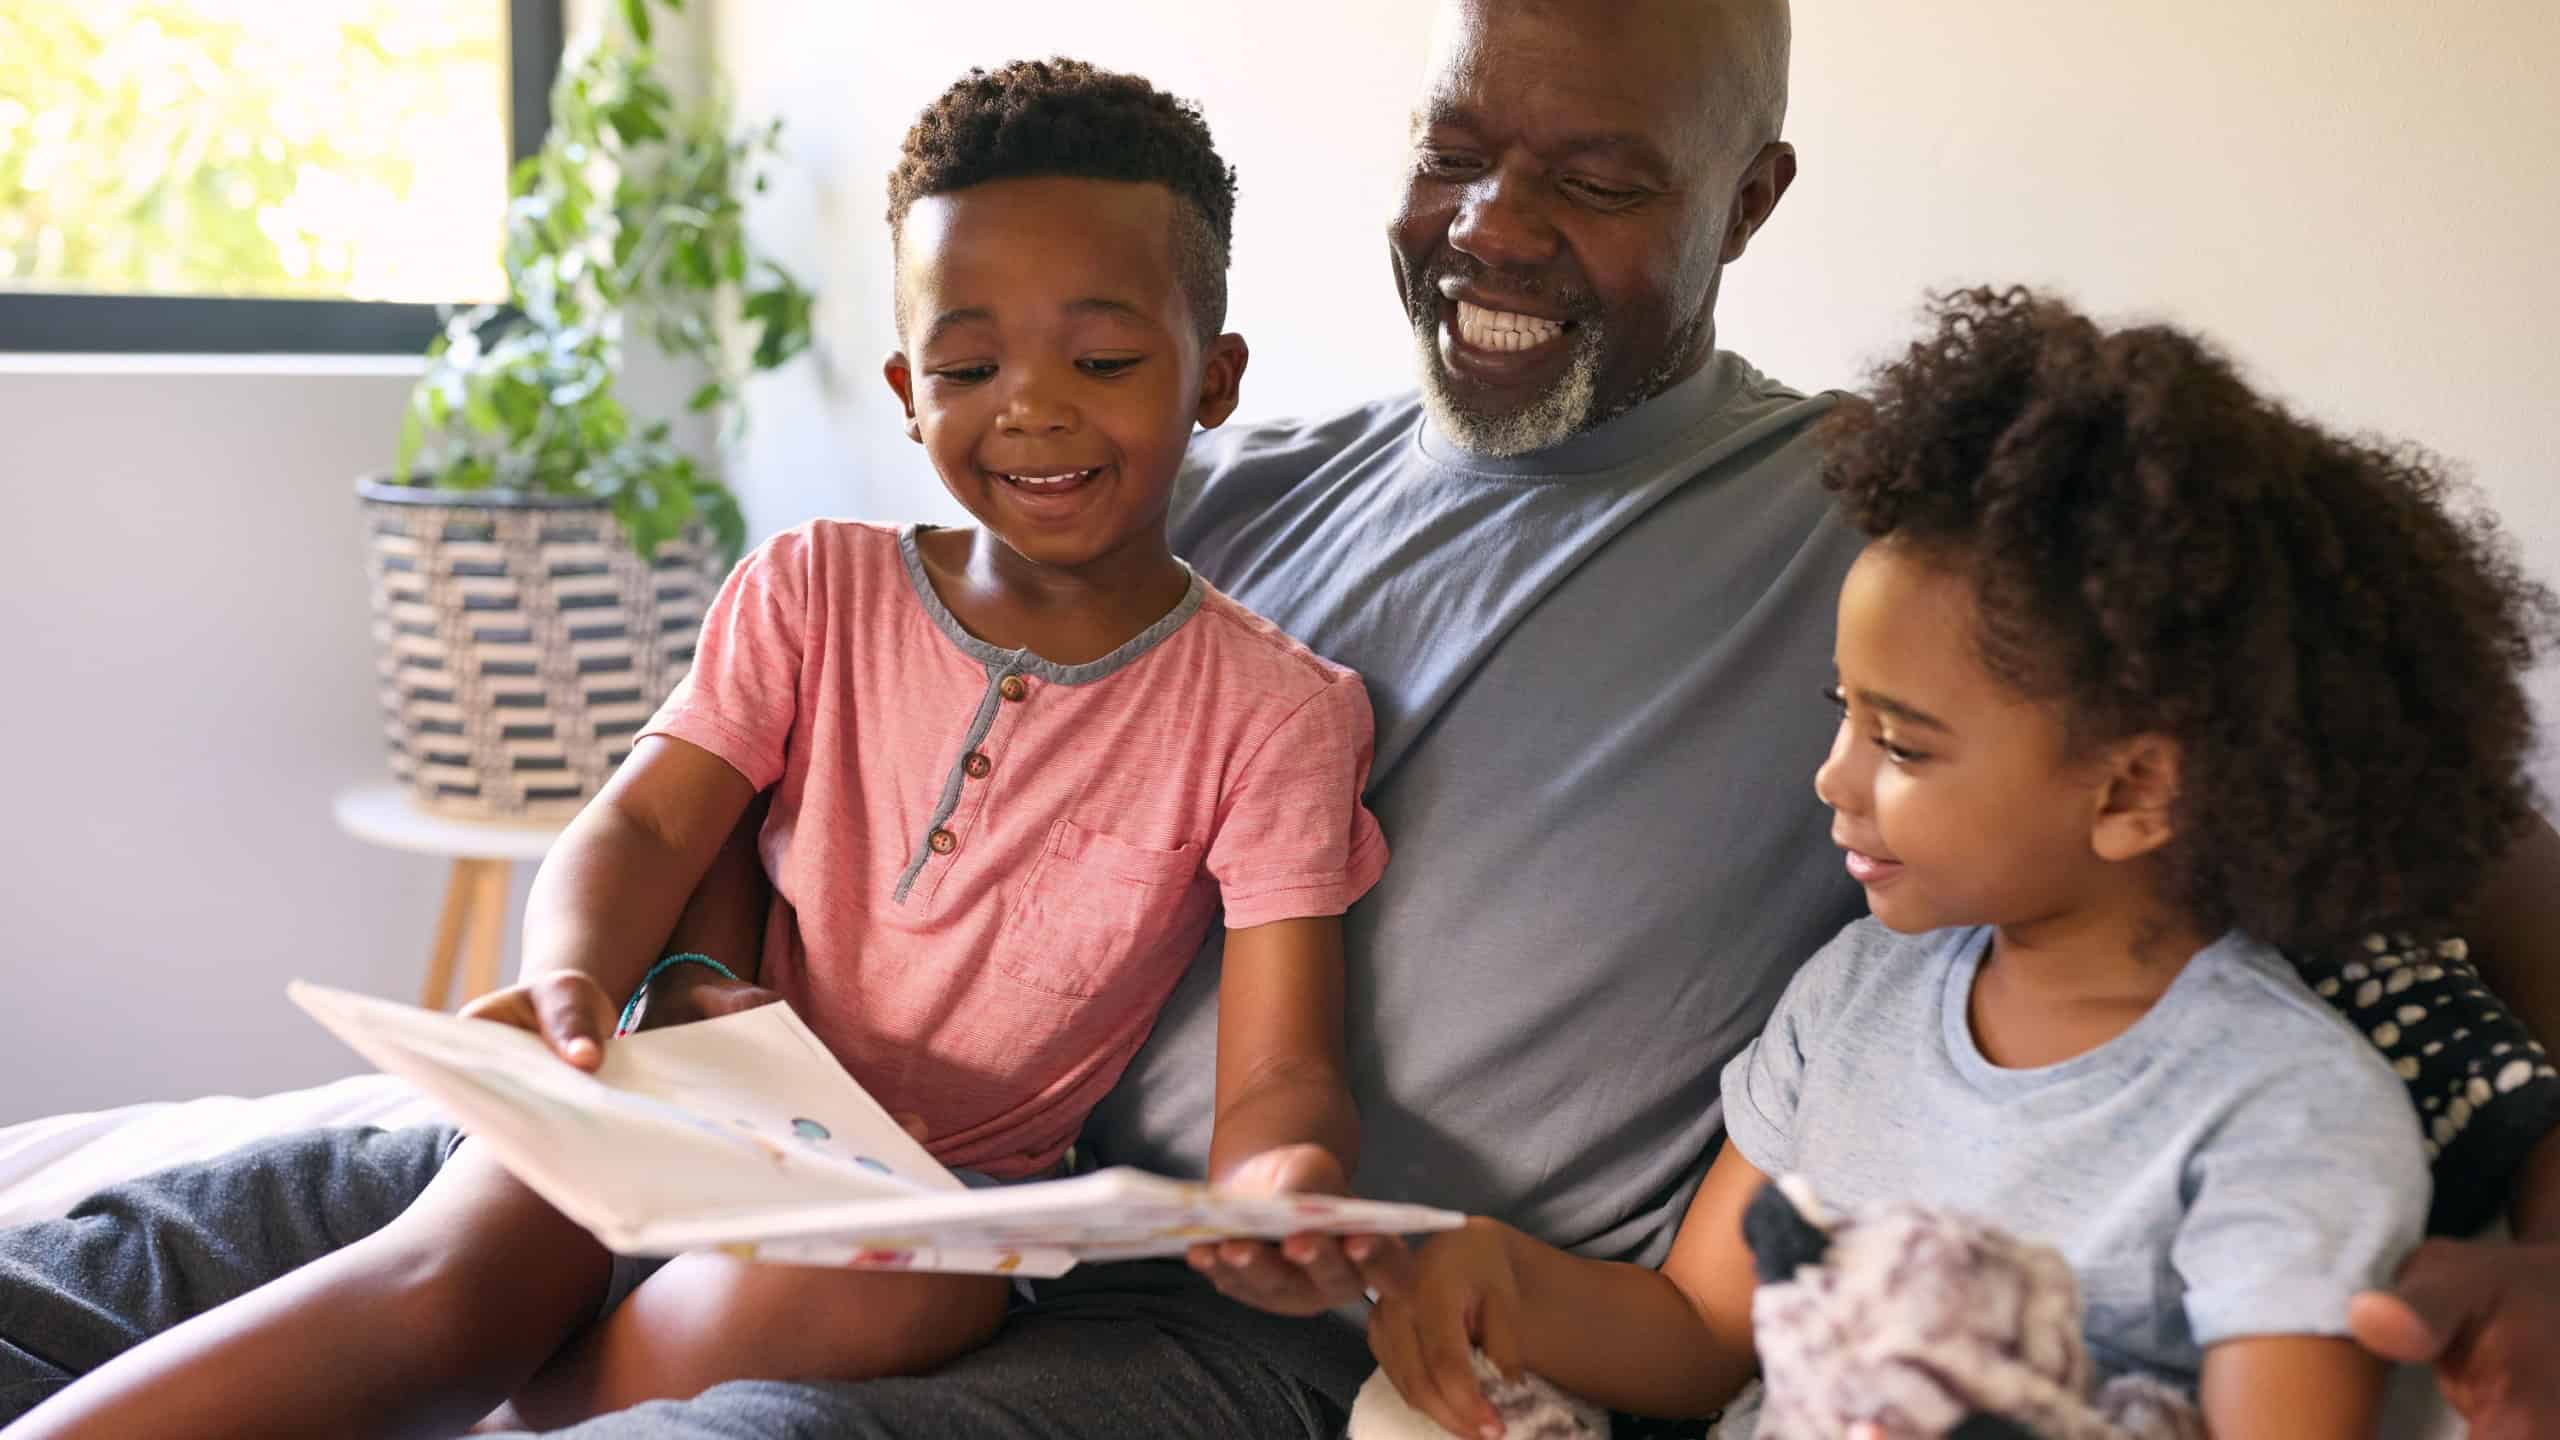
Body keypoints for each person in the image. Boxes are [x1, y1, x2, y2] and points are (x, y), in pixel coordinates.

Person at [5, 4, 2558, 1437]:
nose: (1492, 226)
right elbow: (842, 748)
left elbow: (2379, 810)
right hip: (848, 1136)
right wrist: (641, 975)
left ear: (1748, 199)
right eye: (1457, 151)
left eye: (1595, 178)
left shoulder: (1872, 546)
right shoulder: (1252, 474)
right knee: (155, 1218)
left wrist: (2534, 1230)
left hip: (1243, 1311)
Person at [2, 58, 1388, 1440]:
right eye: (971, 366)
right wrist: (573, 984)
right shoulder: (813, 591)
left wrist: (1277, 1181)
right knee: (447, 1278)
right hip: (681, 1097)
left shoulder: (1278, 714)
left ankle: (551, 1400)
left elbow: (1277, 1070)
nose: (1031, 407)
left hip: (922, 1201)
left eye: (1102, 360)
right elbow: (647, 826)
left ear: (1214, 380)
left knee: (903, 1300)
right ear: (910, 390)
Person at [1360, 287, 2552, 1440]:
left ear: (2132, 791)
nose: (1833, 778)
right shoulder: (1856, 995)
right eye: (1845, 715)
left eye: (1901, 745)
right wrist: (1504, 1275)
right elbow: (1699, 1326)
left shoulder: (2284, 1113)